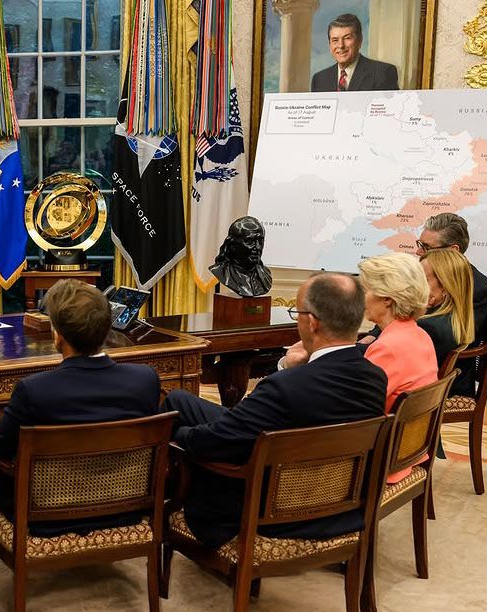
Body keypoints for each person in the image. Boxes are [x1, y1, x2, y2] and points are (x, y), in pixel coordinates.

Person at [166, 272, 388, 548]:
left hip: (269, 510)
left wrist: (177, 435)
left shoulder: (286, 387)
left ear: (312, 322)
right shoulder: (375, 378)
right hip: (338, 505)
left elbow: (214, 442)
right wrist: (287, 367)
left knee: (180, 424)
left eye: (297, 314)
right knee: (181, 401)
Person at [0, 279, 161, 534]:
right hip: (124, 511)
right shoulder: (145, 379)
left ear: (57, 335)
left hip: (44, 520)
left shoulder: (34, 390)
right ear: (107, 329)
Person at [358, 254, 439, 482]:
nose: (362, 298)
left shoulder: (387, 348)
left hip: (380, 463)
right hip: (408, 453)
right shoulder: (420, 335)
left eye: (367, 290)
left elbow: (356, 411)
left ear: (387, 299)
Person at [417, 212, 487, 393]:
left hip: (446, 377)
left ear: (453, 250)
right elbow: (402, 307)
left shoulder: (478, 287)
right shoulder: (424, 273)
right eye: (420, 244)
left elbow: (455, 338)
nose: (418, 252)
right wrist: (374, 335)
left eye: (426, 247)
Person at [417, 247, 475, 391]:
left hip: (424, 397)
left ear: (445, 287)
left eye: (423, 279)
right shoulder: (455, 319)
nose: (415, 284)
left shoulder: (427, 326)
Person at [310, 14, 399, 92]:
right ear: (330, 44)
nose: (341, 45)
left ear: (359, 41)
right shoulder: (319, 79)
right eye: (335, 40)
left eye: (347, 38)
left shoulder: (383, 73)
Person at [210, 216, 273, 298]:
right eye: (250, 241)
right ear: (232, 245)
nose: (258, 247)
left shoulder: (266, 274)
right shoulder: (221, 272)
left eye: (260, 241)